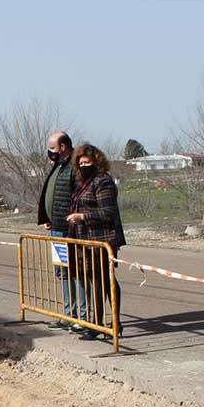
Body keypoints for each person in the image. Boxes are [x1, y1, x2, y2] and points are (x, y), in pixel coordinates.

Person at [63, 143, 126, 341]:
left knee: (103, 282)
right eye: (80, 163)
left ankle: (103, 323)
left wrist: (82, 217)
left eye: (87, 162)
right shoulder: (84, 182)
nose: (83, 165)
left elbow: (108, 212)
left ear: (96, 162)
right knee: (97, 281)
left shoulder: (103, 181)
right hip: (86, 241)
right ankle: (106, 323)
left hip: (103, 240)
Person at [36, 130, 78, 328]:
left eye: (51, 148)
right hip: (56, 229)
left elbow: (76, 197)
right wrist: (48, 217)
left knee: (74, 273)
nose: (49, 152)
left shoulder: (75, 166)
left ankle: (79, 315)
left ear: (62, 147)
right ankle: (69, 313)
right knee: (62, 272)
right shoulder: (58, 166)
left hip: (68, 230)